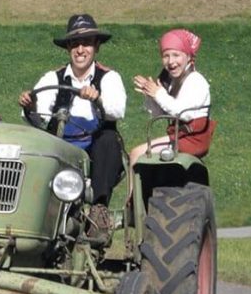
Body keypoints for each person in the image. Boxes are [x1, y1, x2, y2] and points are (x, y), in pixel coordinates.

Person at [18, 14, 126, 241]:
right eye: (75, 44)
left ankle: (99, 209)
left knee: (108, 139)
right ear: (68, 47)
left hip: (94, 146)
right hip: (61, 144)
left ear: (96, 46)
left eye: (86, 43)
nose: (80, 49)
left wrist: (97, 100)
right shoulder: (53, 77)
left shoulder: (109, 77)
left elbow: (117, 111)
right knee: (37, 142)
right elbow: (39, 117)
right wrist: (31, 105)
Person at [129, 28, 215, 169]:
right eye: (166, 56)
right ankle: (146, 190)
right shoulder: (173, 82)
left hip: (192, 140)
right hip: (181, 137)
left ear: (188, 56)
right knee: (140, 156)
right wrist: (151, 96)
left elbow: (184, 113)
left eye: (176, 55)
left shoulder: (196, 81)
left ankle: (133, 192)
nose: (171, 61)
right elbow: (160, 115)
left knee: (136, 154)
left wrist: (158, 94)